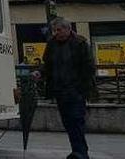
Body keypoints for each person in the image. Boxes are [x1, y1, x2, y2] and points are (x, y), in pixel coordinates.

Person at [40, 17, 95, 159]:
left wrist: (82, 87)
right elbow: (47, 64)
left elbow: (89, 66)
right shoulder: (52, 44)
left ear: (68, 29)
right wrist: (39, 72)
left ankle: (81, 152)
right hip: (60, 90)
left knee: (76, 120)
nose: (56, 33)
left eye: (59, 30)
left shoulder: (80, 43)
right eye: (54, 30)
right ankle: (77, 150)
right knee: (68, 122)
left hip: (76, 90)